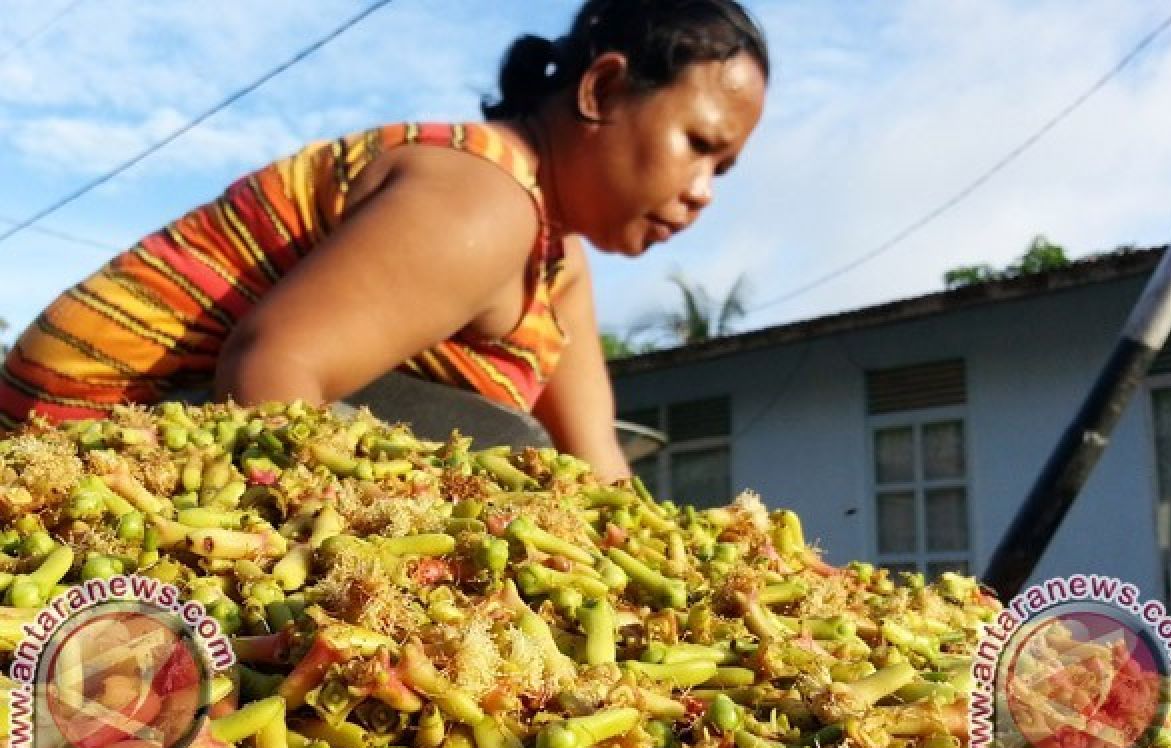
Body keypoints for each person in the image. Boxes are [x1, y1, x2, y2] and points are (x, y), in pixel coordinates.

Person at [0, 0, 769, 483]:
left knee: (531, 460)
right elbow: (271, 367)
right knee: (506, 449)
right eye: (699, 143)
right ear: (600, 90)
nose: (704, 189)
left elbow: (596, 468)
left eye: (726, 170)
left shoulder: (556, 257)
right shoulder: (484, 200)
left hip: (176, 436)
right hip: (82, 440)